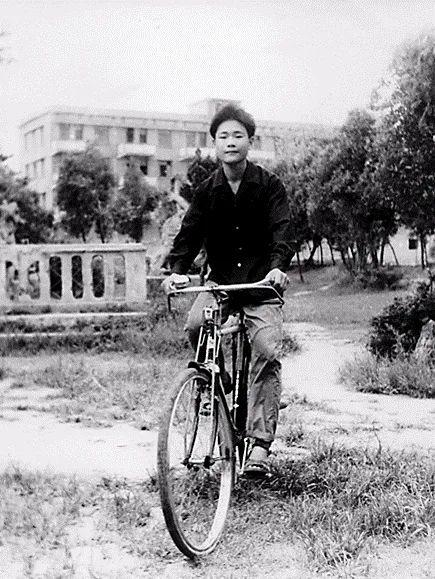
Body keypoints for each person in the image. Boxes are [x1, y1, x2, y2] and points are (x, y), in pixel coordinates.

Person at [163, 104, 293, 475]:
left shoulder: (269, 186)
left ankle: (260, 445)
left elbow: (283, 231)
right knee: (195, 325)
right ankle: (216, 382)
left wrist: (277, 267)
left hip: (260, 286)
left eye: (238, 135)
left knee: (266, 349)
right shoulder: (207, 191)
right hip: (220, 284)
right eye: (223, 136)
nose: (231, 142)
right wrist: (176, 271)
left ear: (250, 141)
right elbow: (188, 235)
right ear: (215, 144)